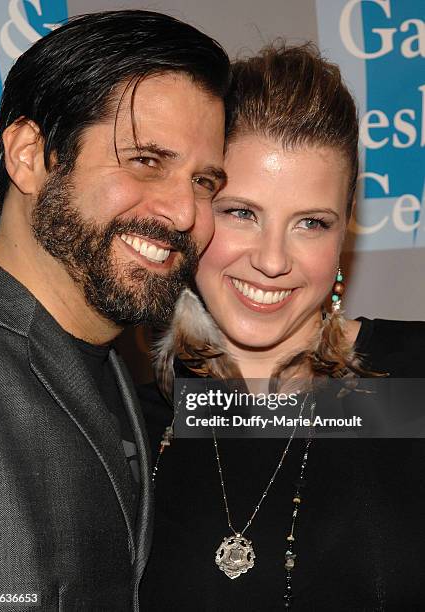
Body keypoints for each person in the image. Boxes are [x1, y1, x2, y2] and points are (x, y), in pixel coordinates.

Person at [139, 43, 425, 610]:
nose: (272, 261)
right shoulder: (138, 419)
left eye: (310, 224)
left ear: (343, 234)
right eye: (241, 212)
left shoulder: (412, 383)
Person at [0, 9, 230, 610]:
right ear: (31, 155)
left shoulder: (132, 386)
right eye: (145, 161)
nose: (186, 213)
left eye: (204, 182)